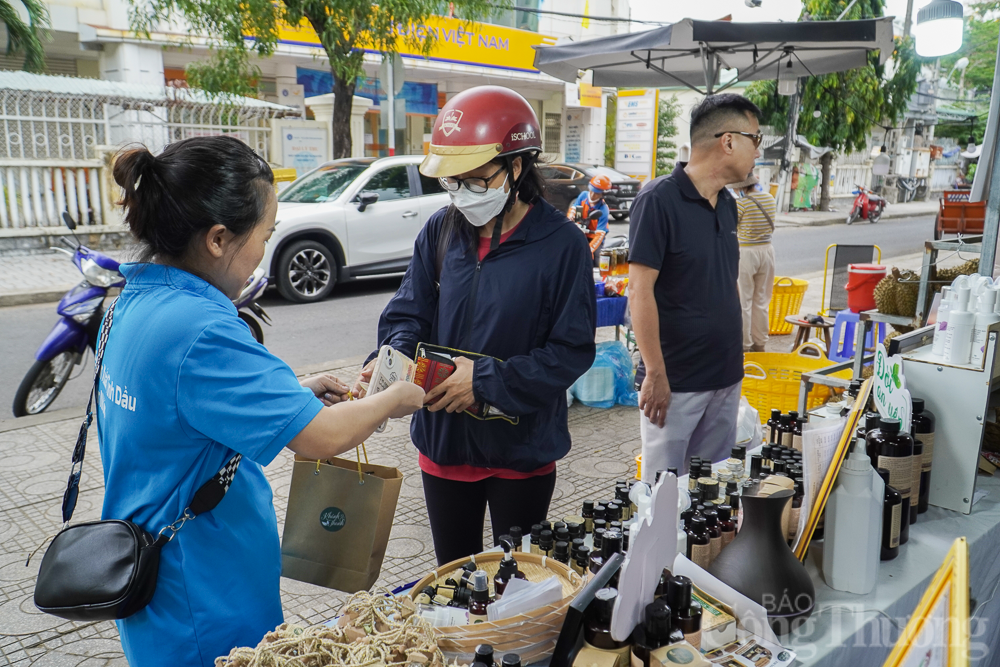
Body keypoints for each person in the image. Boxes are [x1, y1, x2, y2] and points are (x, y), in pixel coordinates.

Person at [97, 136, 425, 667]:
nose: (263, 252)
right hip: (204, 591)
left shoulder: (130, 303)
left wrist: (292, 396)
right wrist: (394, 399)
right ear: (218, 238)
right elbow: (322, 437)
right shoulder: (202, 328)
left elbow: (180, 414)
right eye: (265, 235)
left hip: (150, 578)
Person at [353, 86, 597, 565]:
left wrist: (483, 381)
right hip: (443, 446)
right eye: (453, 181)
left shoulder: (562, 245)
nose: (463, 193)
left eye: (478, 181)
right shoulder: (440, 231)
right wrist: (389, 363)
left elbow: (570, 351)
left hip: (520, 453)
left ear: (517, 167)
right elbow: (407, 314)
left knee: (517, 583)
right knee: (453, 580)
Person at [628, 94, 762, 481]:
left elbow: (723, 282)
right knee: (664, 492)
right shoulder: (658, 200)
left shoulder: (728, 204)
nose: (758, 151)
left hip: (725, 375)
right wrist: (655, 373)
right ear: (729, 141)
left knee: (710, 489)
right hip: (676, 381)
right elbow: (639, 291)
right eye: (756, 139)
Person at [731, 173, 776, 353]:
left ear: (741, 186)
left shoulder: (741, 204)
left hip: (746, 253)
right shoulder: (770, 198)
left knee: (744, 301)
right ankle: (760, 344)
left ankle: (744, 346)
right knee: (762, 301)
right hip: (767, 251)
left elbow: (733, 227)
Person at [568, 174, 612, 267]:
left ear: (603, 194)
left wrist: (589, 250)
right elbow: (574, 208)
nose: (592, 195)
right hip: (581, 233)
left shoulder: (603, 209)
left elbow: (600, 234)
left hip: (593, 237)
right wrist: (571, 216)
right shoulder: (583, 195)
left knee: (597, 260)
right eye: (591, 190)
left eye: (596, 193)